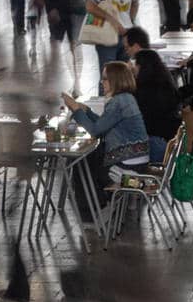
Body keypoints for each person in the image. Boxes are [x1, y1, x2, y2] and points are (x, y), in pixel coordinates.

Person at [62, 61, 155, 210]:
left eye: (105, 78)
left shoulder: (118, 102)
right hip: (138, 158)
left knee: (86, 166)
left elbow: (96, 131)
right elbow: (103, 125)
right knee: (92, 161)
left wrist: (75, 108)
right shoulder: (126, 98)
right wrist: (86, 111)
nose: (102, 82)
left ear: (115, 80)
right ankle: (122, 189)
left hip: (129, 162)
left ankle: (130, 184)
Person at [130, 47, 183, 162]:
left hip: (155, 145)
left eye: (135, 65)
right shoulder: (167, 83)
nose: (134, 68)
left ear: (142, 67)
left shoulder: (145, 91)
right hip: (172, 142)